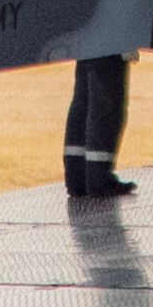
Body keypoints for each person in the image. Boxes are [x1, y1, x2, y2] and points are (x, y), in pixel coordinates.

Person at [60, 53, 134, 198]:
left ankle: (77, 179)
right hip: (110, 41)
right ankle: (99, 180)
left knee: (83, 101)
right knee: (107, 105)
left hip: (87, 41)